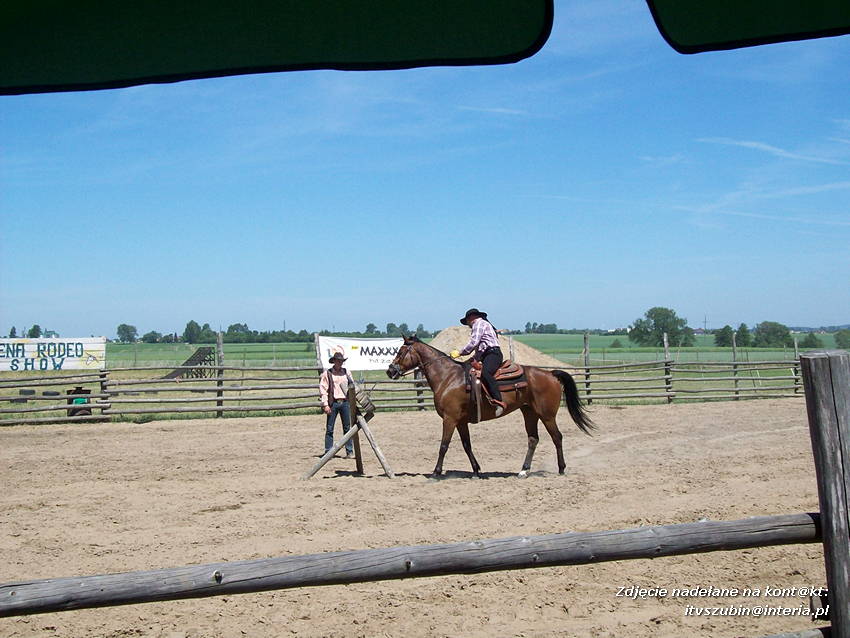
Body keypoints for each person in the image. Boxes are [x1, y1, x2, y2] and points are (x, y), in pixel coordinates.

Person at [454, 308, 506, 416]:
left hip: (492, 354)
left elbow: (474, 342)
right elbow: (480, 348)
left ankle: (499, 401)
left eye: (467, 321)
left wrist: (460, 352)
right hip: (486, 355)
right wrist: (473, 359)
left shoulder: (478, 324)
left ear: (471, 318)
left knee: (486, 373)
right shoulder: (483, 324)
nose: (467, 324)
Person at [319, 352, 355, 458]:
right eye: (338, 360)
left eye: (341, 361)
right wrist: (325, 404)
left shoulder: (346, 372)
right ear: (334, 361)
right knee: (330, 428)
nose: (340, 362)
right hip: (333, 403)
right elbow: (323, 389)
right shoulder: (327, 373)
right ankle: (328, 452)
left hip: (345, 402)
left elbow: (352, 386)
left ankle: (349, 451)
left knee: (347, 428)